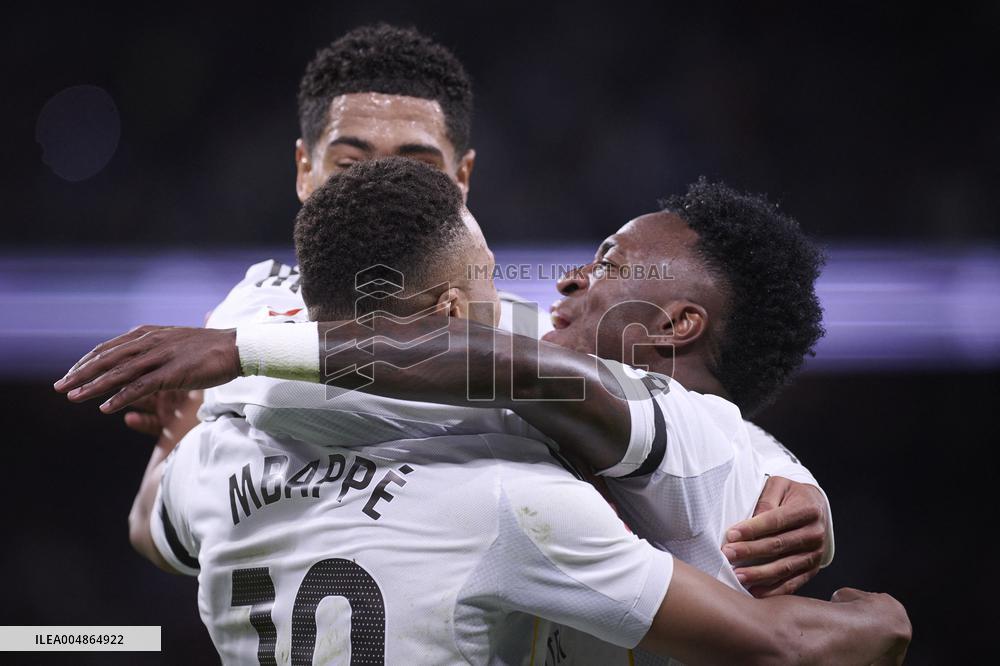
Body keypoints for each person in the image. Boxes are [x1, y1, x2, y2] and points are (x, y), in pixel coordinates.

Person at [59, 158, 910, 664]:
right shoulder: (518, 490)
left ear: (678, 325)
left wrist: (231, 369)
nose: (569, 280)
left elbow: (508, 367)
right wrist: (882, 618)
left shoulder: (681, 431)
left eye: (609, 263)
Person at [120, 23, 834, 593]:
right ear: (303, 169)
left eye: (415, 162)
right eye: (351, 159)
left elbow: (676, 413)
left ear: (463, 180)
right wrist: (171, 455)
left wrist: (798, 490)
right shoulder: (246, 309)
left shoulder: (506, 341)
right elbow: (167, 524)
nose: (382, 183)